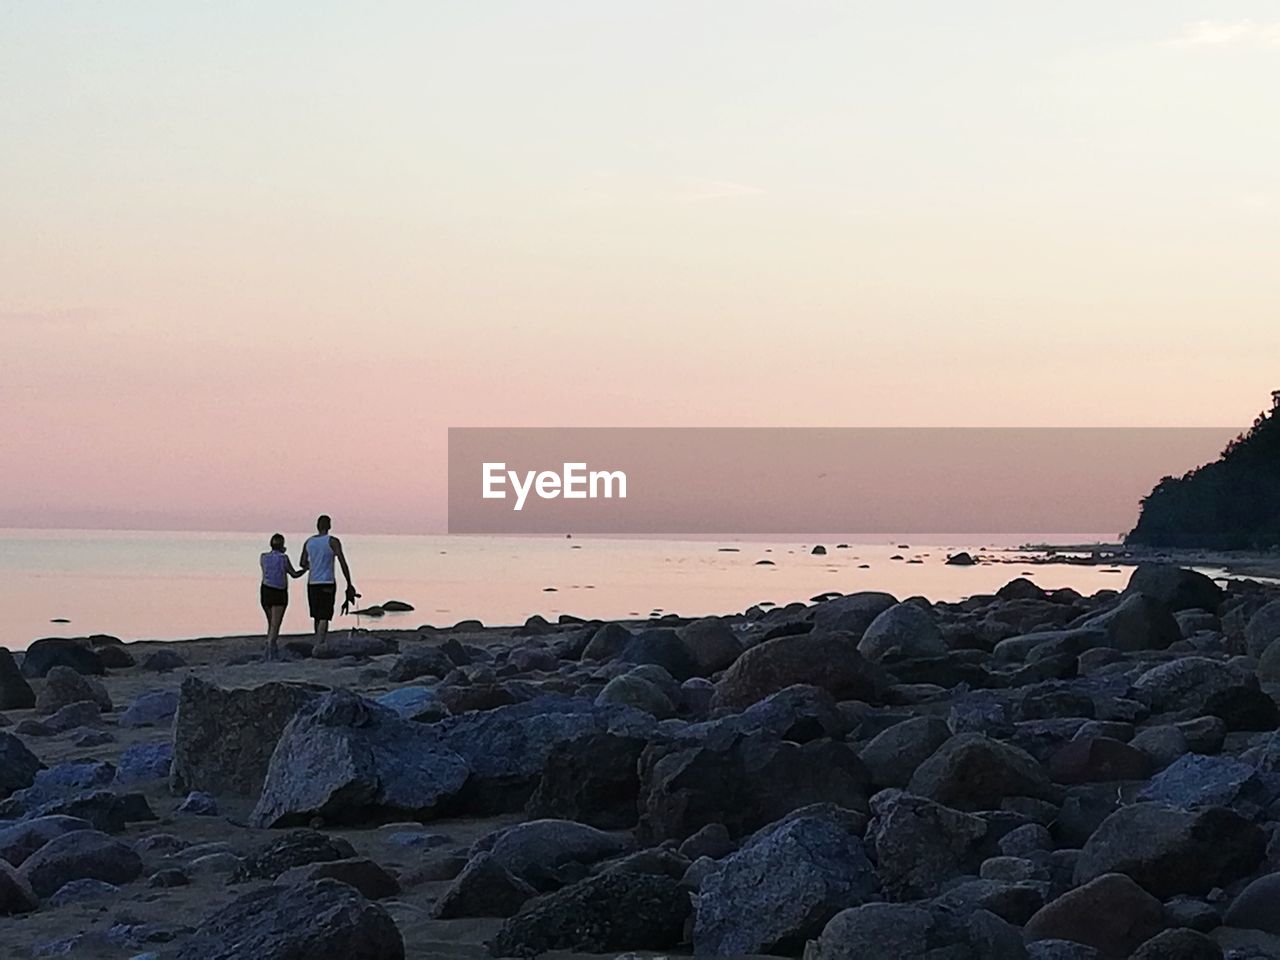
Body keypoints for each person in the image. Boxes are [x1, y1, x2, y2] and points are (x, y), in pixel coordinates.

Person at [299, 514, 356, 650]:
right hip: (327, 582)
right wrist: (349, 582)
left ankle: (318, 641)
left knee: (316, 615)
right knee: (325, 614)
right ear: (329, 526)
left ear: (317, 526)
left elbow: (302, 563)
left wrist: (312, 566)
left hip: (312, 583)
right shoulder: (332, 541)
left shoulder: (309, 542)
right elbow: (342, 562)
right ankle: (320, 643)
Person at [259, 533, 303, 661]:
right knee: (275, 624)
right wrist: (305, 569)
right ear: (282, 545)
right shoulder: (284, 558)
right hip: (279, 592)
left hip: (266, 590)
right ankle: (271, 649)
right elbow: (293, 574)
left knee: (270, 622)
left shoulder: (263, 557)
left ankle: (270, 646)